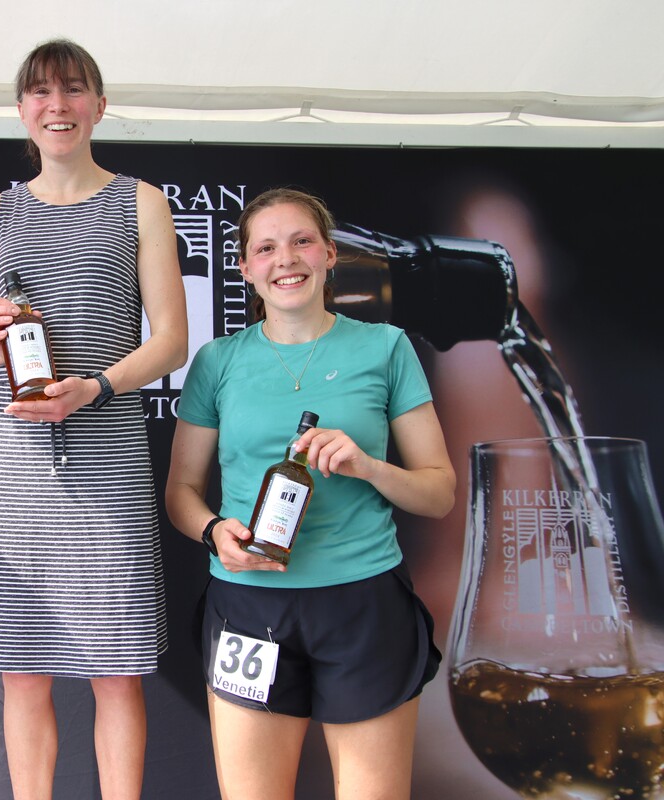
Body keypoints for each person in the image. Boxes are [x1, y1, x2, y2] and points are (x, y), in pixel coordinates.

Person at [0, 39, 188, 800]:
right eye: (42, 93)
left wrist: (94, 387)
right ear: (22, 111)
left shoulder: (139, 201)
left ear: (99, 106)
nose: (59, 106)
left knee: (116, 671)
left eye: (74, 90)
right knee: (23, 670)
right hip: (15, 466)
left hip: (107, 452)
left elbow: (172, 341)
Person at [164, 188, 455, 800]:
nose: (285, 259)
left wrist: (368, 466)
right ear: (245, 269)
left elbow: (439, 495)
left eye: (300, 241)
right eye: (266, 247)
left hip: (364, 605)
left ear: (328, 255)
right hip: (247, 607)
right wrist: (215, 531)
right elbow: (182, 493)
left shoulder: (385, 347)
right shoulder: (217, 362)